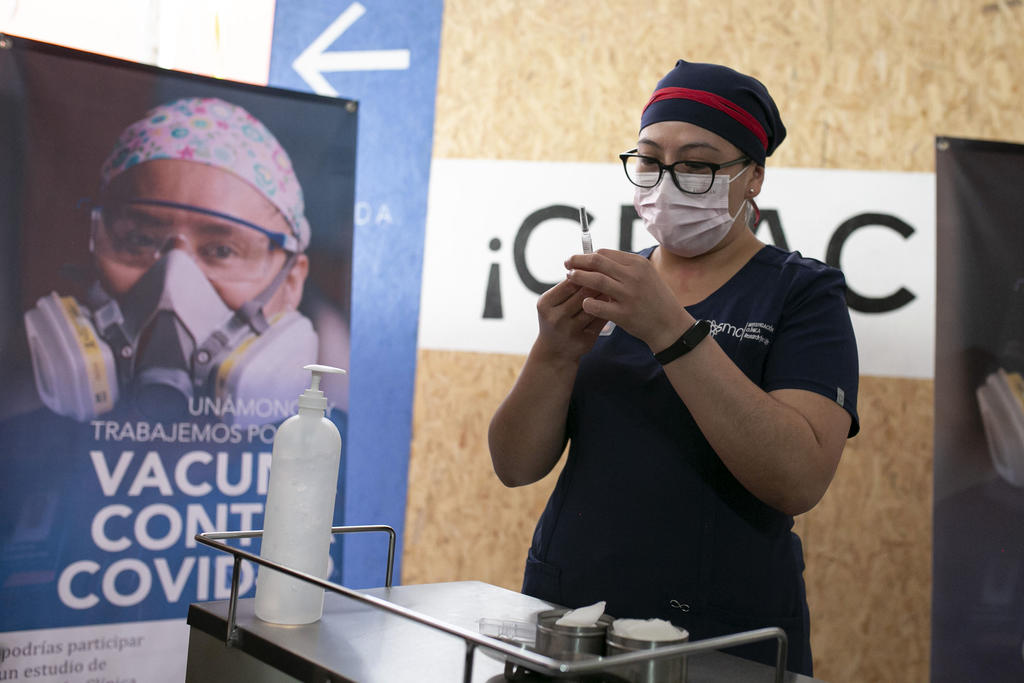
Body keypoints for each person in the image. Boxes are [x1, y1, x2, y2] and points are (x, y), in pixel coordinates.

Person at [488, 60, 860, 676]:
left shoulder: (801, 294)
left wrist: (671, 330)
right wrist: (553, 352)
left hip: (720, 628)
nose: (666, 182)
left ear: (753, 177)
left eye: (696, 164)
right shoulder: (609, 288)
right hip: (575, 613)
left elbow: (798, 480)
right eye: (650, 160)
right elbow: (514, 465)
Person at [4, 96, 319, 425]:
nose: (172, 286)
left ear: (292, 282)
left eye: (222, 250)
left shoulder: (330, 450)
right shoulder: (22, 448)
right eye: (139, 240)